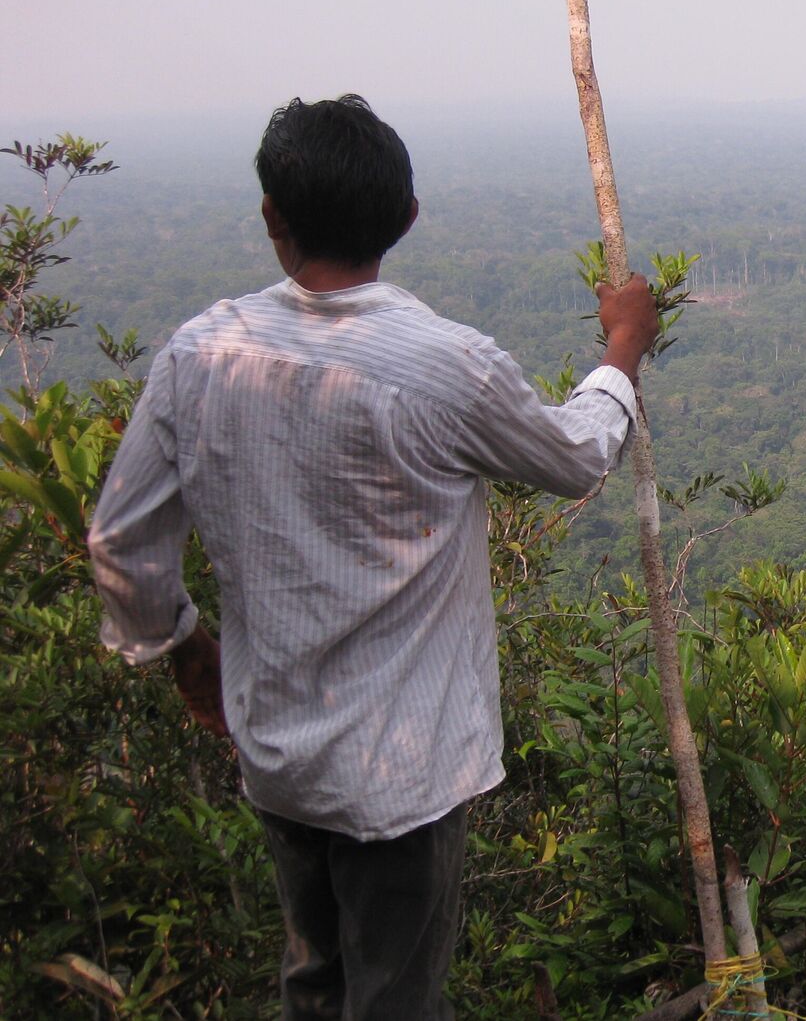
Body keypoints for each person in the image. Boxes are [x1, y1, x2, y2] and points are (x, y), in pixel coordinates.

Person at [88, 94, 658, 1019]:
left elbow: (118, 541)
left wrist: (185, 645)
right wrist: (623, 349)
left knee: (315, 976)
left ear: (273, 216)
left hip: (275, 750)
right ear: (405, 219)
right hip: (404, 773)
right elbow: (575, 457)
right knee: (394, 996)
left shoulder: (202, 354)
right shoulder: (446, 365)